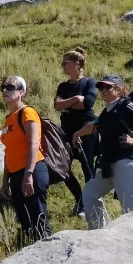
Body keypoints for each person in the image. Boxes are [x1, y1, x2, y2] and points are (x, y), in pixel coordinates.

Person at [72, 74, 133, 230]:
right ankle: (101, 233)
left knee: (131, 208)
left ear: (118, 88)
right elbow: (94, 125)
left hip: (127, 160)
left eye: (107, 87)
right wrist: (77, 134)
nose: (103, 90)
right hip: (109, 163)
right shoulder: (107, 111)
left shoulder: (125, 104)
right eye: (101, 88)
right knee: (90, 193)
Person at [0, 75, 51, 242]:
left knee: (38, 218)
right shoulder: (8, 119)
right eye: (3, 88)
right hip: (15, 174)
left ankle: (49, 255)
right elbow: (9, 151)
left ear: (21, 92)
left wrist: (28, 173)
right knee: (25, 221)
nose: (5, 90)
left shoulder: (27, 112)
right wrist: (5, 180)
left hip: (32, 170)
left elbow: (34, 142)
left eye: (10, 87)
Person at [53, 47, 98, 216]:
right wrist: (76, 99)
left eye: (66, 63)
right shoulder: (63, 86)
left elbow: (86, 104)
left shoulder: (89, 83)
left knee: (87, 167)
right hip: (66, 131)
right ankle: (80, 198)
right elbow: (57, 106)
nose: (63, 65)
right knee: (62, 167)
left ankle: (90, 204)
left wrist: (68, 103)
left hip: (86, 129)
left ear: (77, 64)